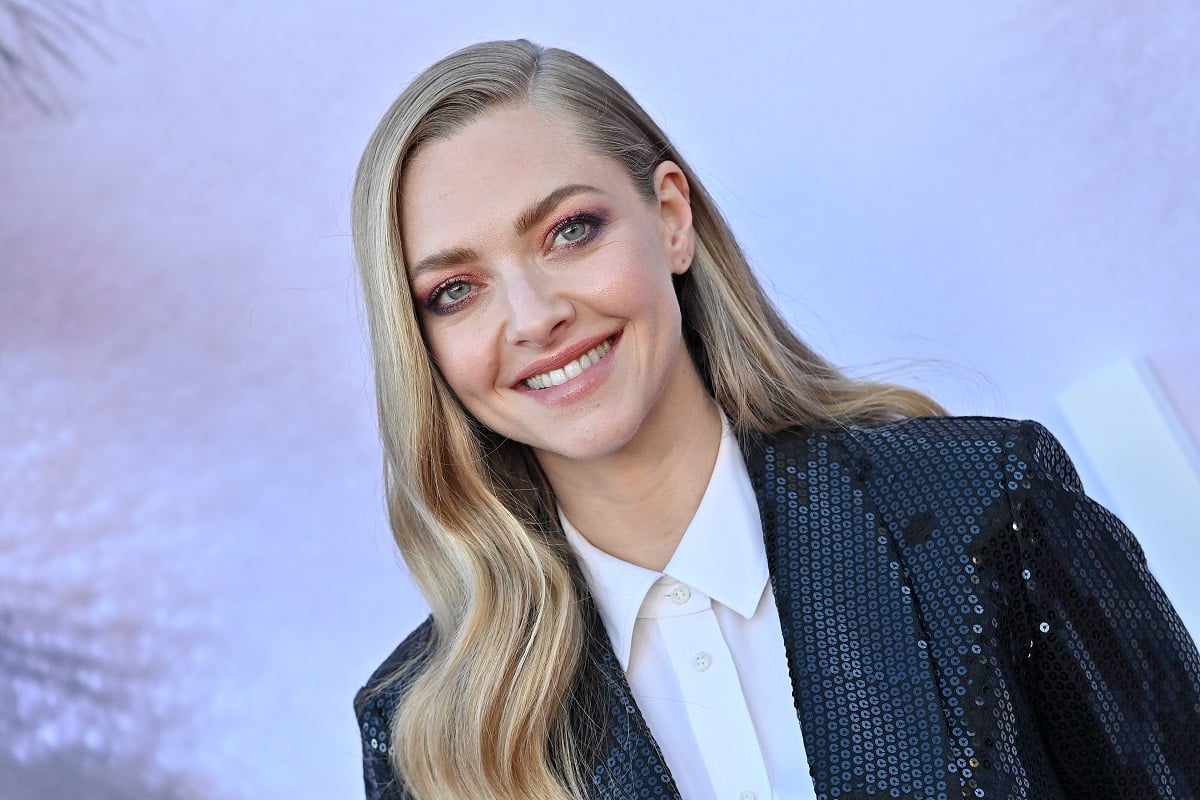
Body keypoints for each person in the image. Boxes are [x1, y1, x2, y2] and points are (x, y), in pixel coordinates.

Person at [350, 39, 1200, 800]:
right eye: (455, 291)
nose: (533, 317)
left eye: (570, 231)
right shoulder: (424, 731)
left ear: (671, 220)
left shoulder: (988, 508)